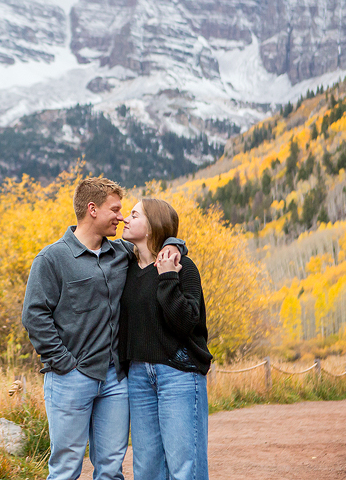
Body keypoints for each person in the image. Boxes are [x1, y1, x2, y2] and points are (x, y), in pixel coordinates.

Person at [21, 176, 132, 480]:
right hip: (71, 379)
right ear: (92, 209)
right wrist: (64, 364)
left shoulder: (122, 254)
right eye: (115, 209)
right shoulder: (52, 258)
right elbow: (34, 315)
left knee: (111, 469)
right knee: (66, 470)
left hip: (115, 380)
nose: (121, 217)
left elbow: (157, 243)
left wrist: (174, 244)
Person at [119, 198, 212, 480]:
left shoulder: (184, 268)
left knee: (185, 467)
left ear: (151, 226)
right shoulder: (125, 266)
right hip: (137, 376)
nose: (126, 218)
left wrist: (168, 277)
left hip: (178, 374)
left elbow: (186, 322)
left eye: (134, 215)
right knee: (146, 469)